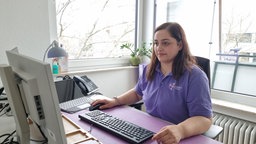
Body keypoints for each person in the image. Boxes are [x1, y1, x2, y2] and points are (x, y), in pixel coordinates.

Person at [91, 22, 212, 144]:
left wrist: (180, 130)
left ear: (179, 45)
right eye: (156, 43)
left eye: (165, 43)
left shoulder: (195, 76)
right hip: (150, 133)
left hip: (178, 136)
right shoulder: (149, 69)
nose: (159, 48)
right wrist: (115, 101)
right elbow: (137, 93)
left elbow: (204, 119)